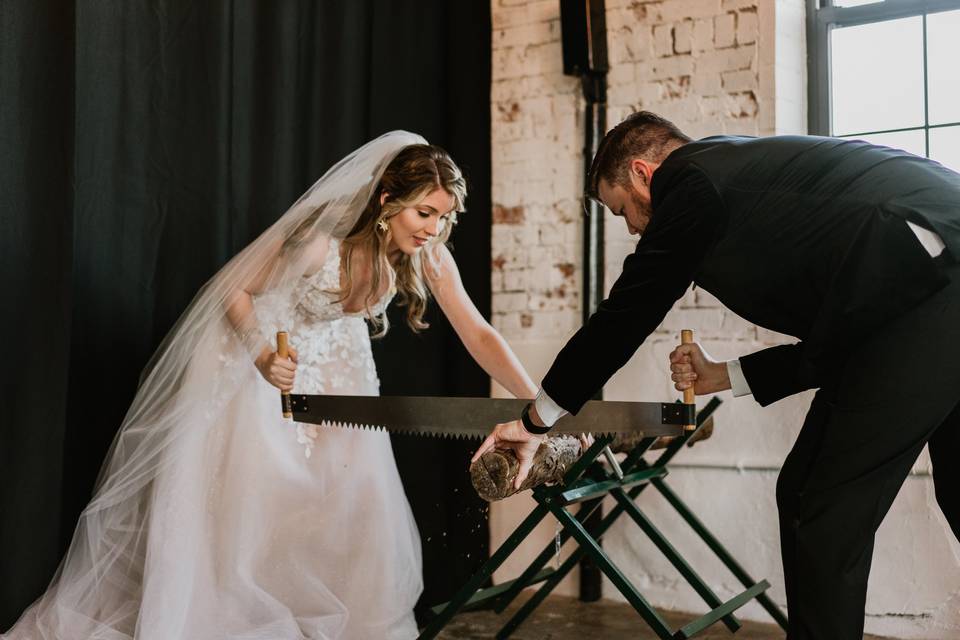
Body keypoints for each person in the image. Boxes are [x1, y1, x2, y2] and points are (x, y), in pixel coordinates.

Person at [4, 132, 538, 640]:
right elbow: (230, 289)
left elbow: (480, 334)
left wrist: (536, 398)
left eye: (444, 218)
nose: (432, 228)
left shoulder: (429, 254)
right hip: (259, 360)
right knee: (261, 497)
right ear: (386, 199)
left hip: (340, 367)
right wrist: (262, 356)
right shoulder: (316, 245)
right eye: (424, 213)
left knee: (350, 494)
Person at [474, 112, 960, 639]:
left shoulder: (690, 181)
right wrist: (726, 374)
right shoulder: (740, 177)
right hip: (921, 284)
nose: (635, 228)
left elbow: (627, 314)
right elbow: (845, 331)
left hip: (932, 285)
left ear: (642, 173)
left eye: (622, 211)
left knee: (818, 506)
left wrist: (533, 423)